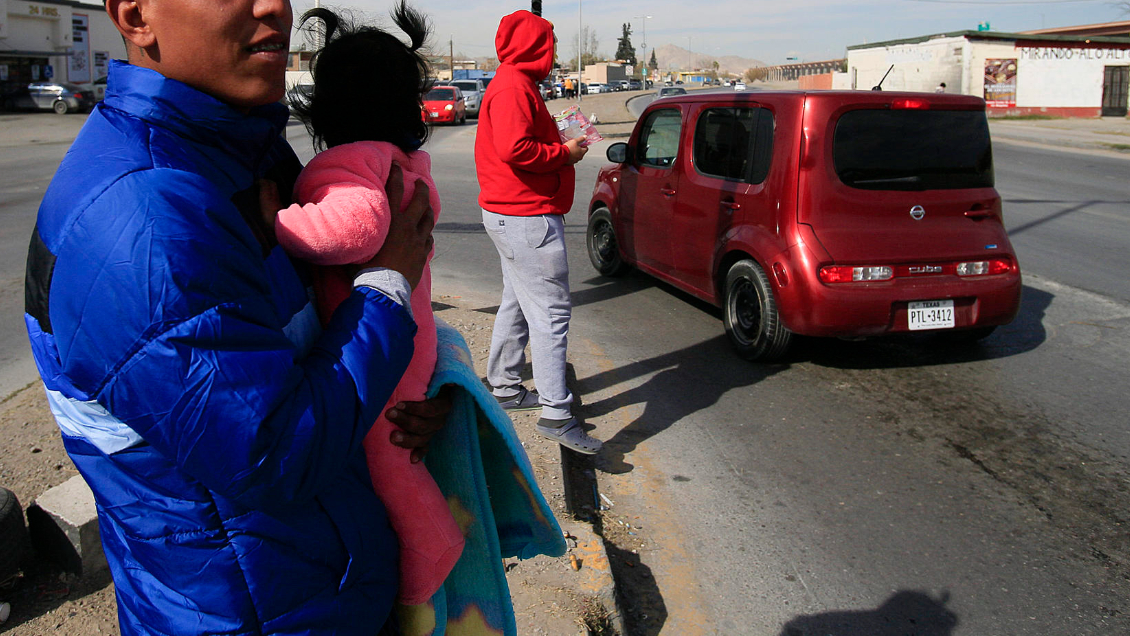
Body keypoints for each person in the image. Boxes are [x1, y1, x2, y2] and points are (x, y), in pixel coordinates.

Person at [22, 0, 445, 633]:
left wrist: (409, 397)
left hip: (327, 589)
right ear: (137, 16)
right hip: (251, 615)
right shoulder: (146, 223)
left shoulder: (244, 151)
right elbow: (276, 455)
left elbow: (319, 337)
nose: (274, 4)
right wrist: (388, 287)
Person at [269, 4, 463, 607]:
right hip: (404, 333)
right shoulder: (402, 160)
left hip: (383, 342)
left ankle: (430, 565)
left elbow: (351, 230)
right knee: (395, 459)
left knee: (388, 463)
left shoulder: (355, 162)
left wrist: (273, 225)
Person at [475, 10, 602, 455]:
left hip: (514, 216)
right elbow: (516, 148)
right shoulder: (513, 86)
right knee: (551, 313)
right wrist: (563, 154)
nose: (554, 52)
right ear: (535, 46)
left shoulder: (514, 83)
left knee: (516, 301)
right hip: (527, 217)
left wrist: (561, 143)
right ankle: (556, 414)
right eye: (551, 43)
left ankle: (506, 386)